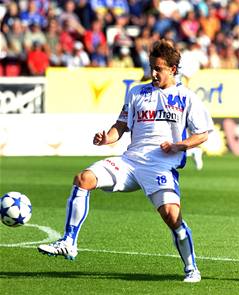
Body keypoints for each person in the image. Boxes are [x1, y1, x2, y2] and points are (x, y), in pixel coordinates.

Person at [38, 39, 214, 283]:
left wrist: (179, 145)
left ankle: (191, 268)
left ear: (173, 70)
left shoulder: (186, 98)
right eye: (151, 66)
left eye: (159, 68)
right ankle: (69, 241)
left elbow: (203, 134)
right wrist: (106, 138)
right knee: (83, 179)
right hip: (130, 162)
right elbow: (121, 125)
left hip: (160, 166)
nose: (153, 72)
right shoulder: (136, 92)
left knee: (173, 217)